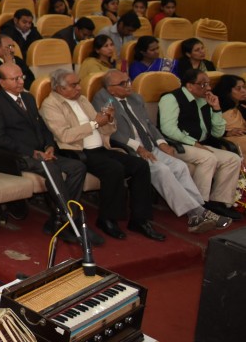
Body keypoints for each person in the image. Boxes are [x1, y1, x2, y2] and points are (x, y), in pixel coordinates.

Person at [93, 70, 227, 234]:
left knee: (180, 167)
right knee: (162, 170)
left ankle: (198, 211)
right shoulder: (103, 99)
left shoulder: (136, 98)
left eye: (129, 81)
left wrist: (162, 143)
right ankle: (198, 213)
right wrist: (138, 147)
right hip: (129, 149)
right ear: (110, 88)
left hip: (150, 145)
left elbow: (148, 125)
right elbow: (112, 132)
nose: (129, 85)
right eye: (123, 84)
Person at [40, 69, 163, 241]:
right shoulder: (50, 105)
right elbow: (65, 135)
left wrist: (109, 120)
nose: (79, 88)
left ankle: (140, 219)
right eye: (73, 85)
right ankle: (107, 219)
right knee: (114, 169)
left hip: (102, 148)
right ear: (59, 88)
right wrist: (94, 123)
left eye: (79, 83)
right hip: (78, 151)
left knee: (139, 165)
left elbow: (104, 128)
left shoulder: (82, 100)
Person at [0, 65, 96, 241]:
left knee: (77, 167)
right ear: (2, 82)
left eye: (21, 77)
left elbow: (42, 127)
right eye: (15, 79)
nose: (22, 81)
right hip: (18, 156)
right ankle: (71, 224)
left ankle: (61, 219)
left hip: (43, 154)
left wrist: (49, 146)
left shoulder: (28, 98)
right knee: (52, 170)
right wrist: (33, 152)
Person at [158, 68, 243, 220]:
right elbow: (168, 129)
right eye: (203, 84)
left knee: (233, 159)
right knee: (208, 158)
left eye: (208, 84)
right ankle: (199, 206)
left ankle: (219, 202)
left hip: (200, 144)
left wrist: (216, 109)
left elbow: (217, 133)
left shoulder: (205, 100)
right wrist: (193, 143)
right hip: (175, 145)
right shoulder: (171, 98)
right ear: (189, 86)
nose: (208, 88)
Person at [212, 74, 246, 155]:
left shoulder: (242, 105)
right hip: (228, 140)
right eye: (238, 88)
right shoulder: (216, 106)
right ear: (227, 90)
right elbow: (210, 129)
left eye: (244, 87)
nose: (243, 91)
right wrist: (227, 133)